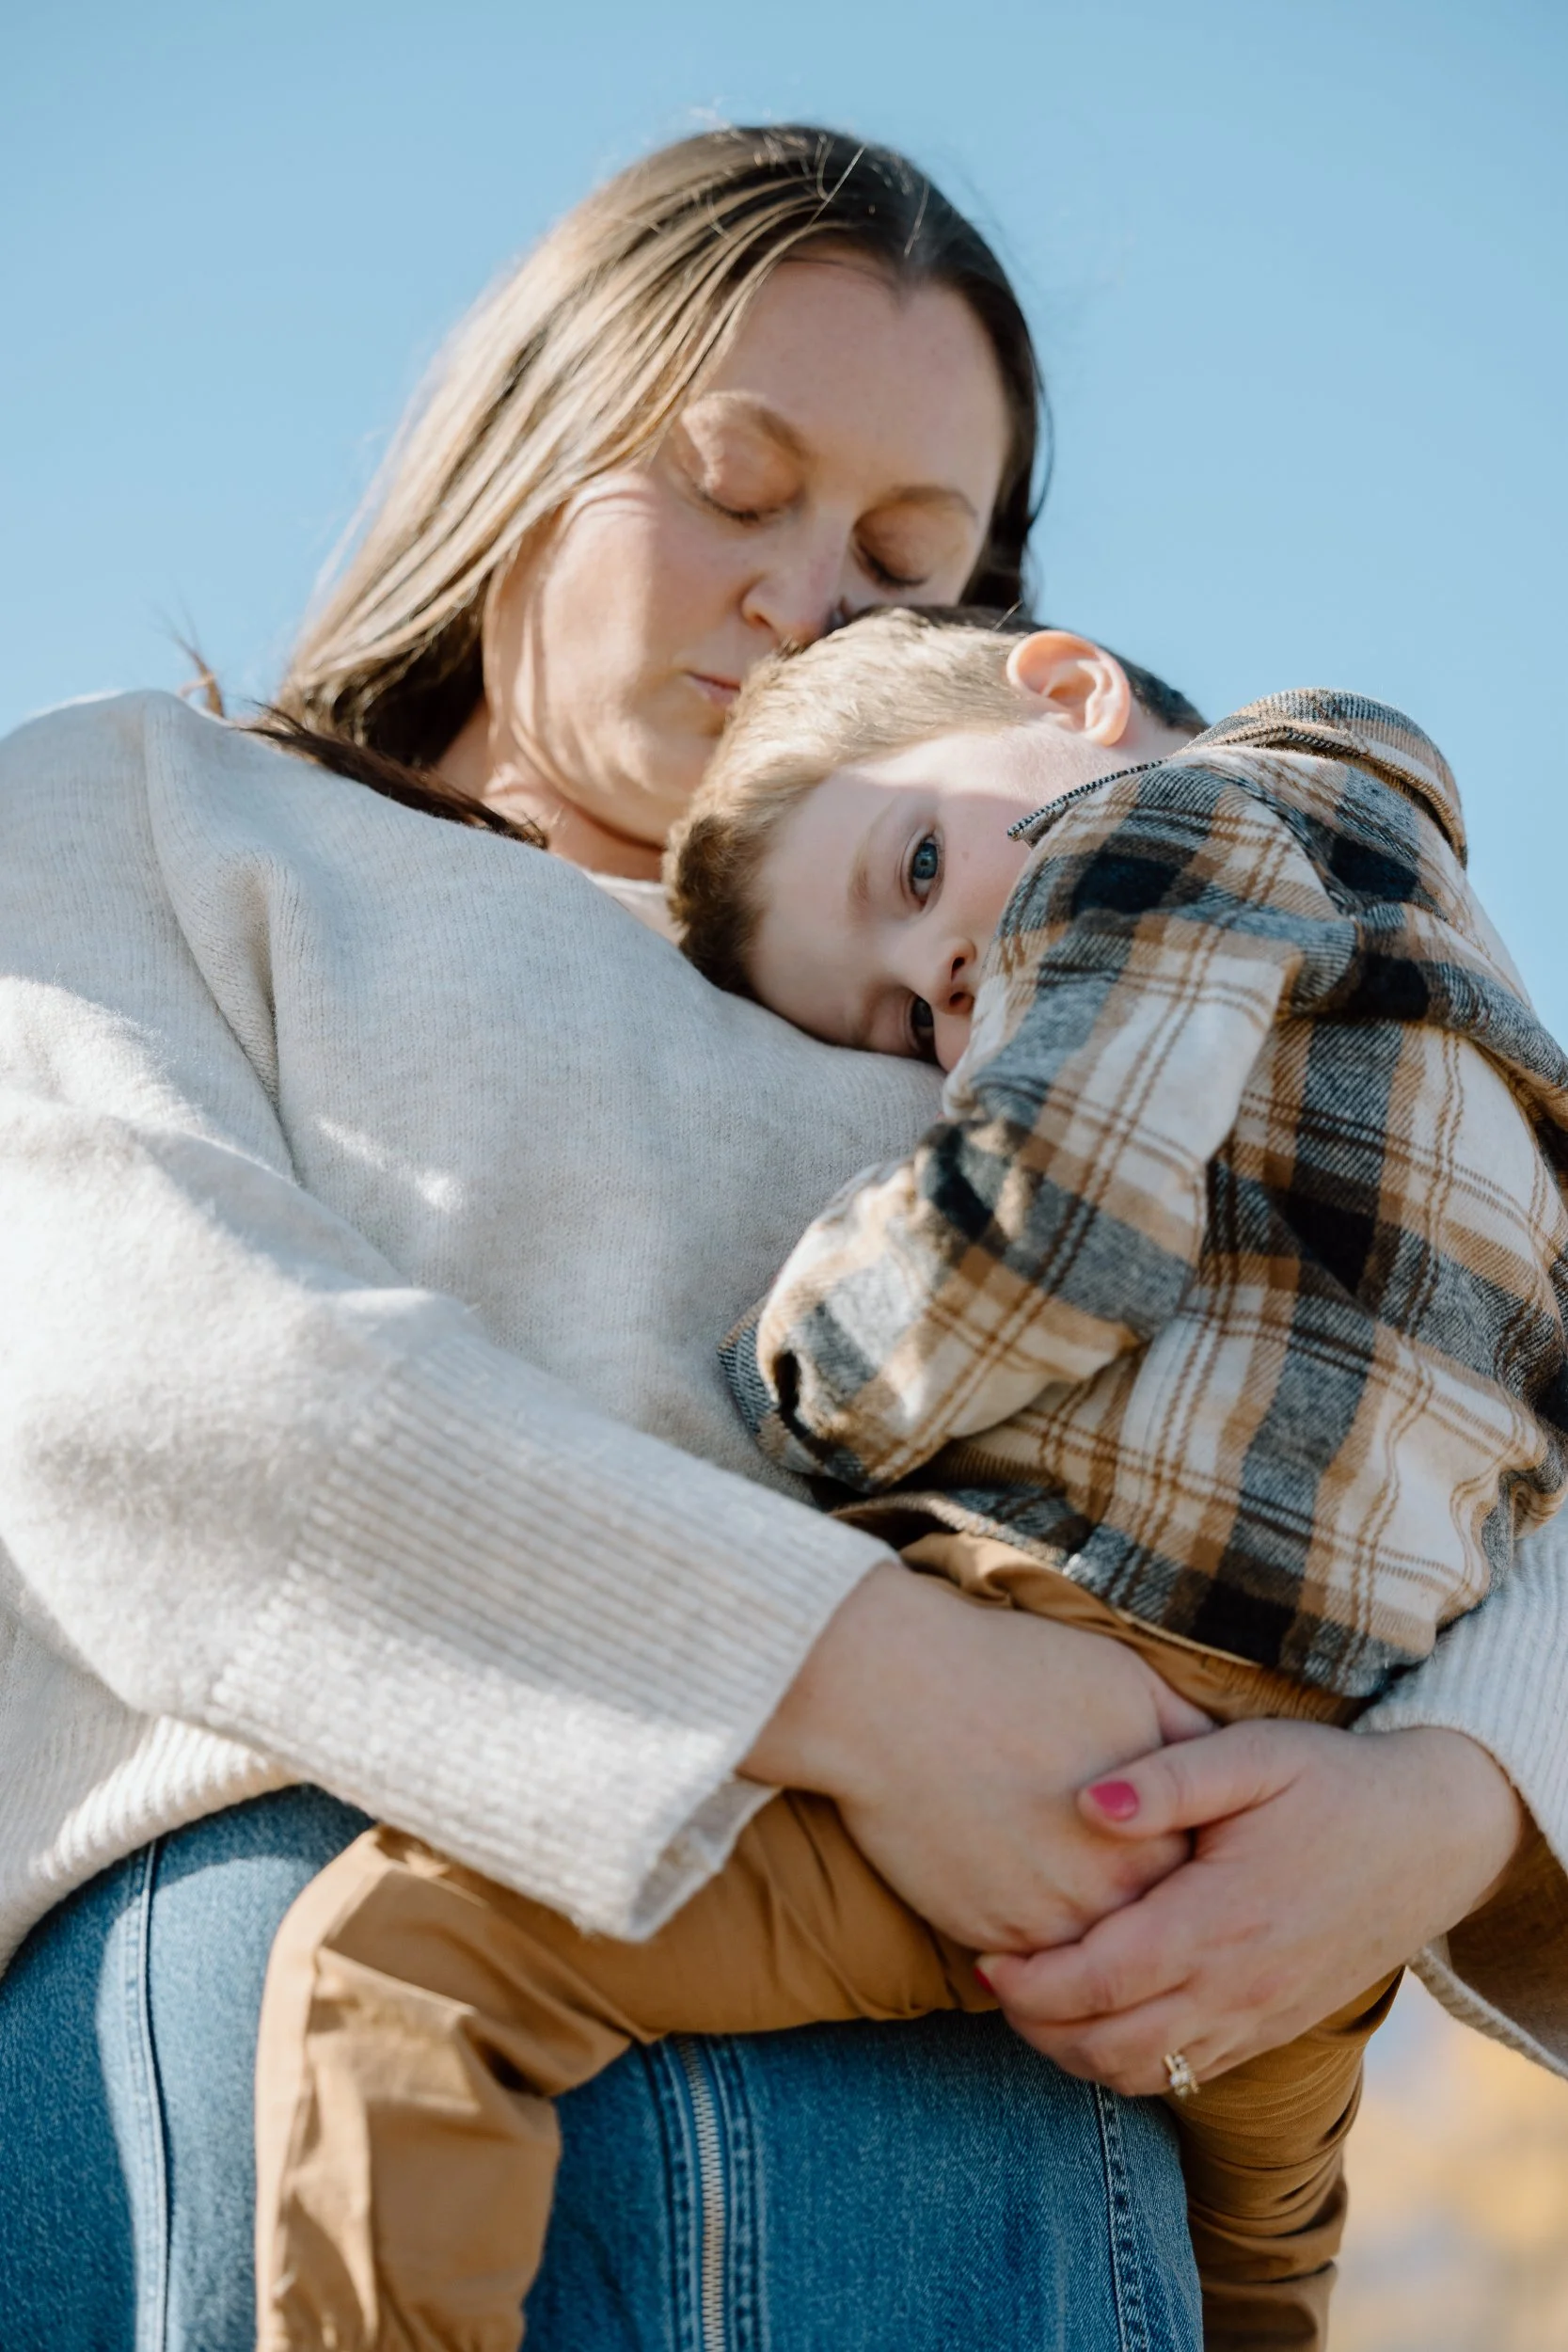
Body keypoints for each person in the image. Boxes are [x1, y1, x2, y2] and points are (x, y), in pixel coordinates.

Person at [0, 121, 1545, 2352]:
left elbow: (1479, 1337)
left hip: (1004, 2139)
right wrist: (881, 1685)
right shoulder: (132, 810)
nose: (804, 595)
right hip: (322, 2055)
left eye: (909, 557)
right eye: (732, 485)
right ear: (533, 438)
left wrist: (1446, 1798)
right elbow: (143, 1373)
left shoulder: (1054, 938)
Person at [252, 610, 1568, 2351]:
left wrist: (780, 1385)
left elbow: (1050, 1230)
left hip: (1073, 1667)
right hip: (1309, 1818)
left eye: (916, 862)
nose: (942, 971)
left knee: (402, 1961)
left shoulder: (1150, 833)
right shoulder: (1476, 1026)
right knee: (1258, 2279)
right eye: (886, 1022)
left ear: (1070, 688)